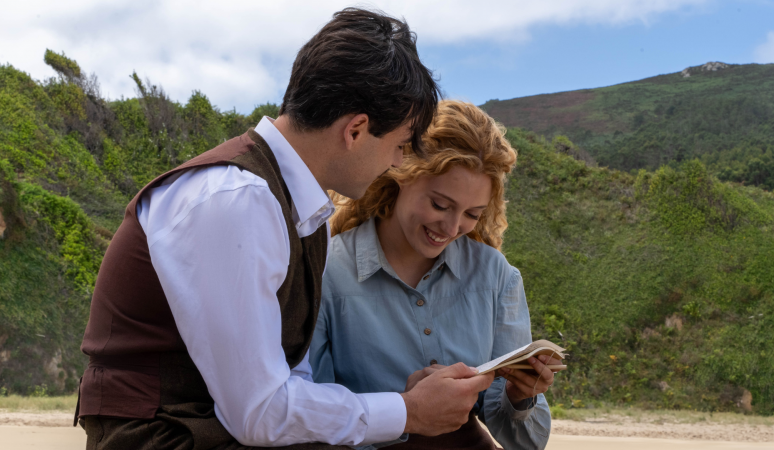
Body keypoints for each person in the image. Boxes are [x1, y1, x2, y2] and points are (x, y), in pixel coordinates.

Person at [76, 9, 495, 450]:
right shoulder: (236, 198)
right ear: (356, 129)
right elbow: (260, 413)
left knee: (449, 437)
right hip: (162, 438)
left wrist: (412, 411)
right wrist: (408, 411)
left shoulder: (303, 213)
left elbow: (291, 383)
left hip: (214, 431)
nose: (397, 163)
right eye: (399, 146)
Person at [310, 100, 558, 450]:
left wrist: (521, 398)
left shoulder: (495, 274)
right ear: (400, 175)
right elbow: (311, 418)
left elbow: (527, 442)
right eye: (440, 205)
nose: (452, 227)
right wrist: (402, 412)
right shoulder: (326, 271)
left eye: (472, 213)